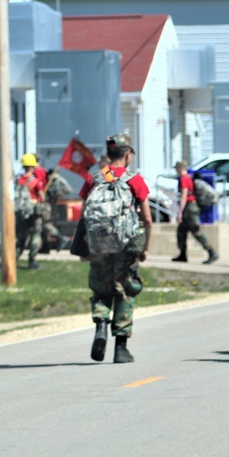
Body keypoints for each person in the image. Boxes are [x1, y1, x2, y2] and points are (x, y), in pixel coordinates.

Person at [80, 134, 153, 364]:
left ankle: (101, 326)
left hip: (99, 245)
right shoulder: (134, 180)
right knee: (125, 290)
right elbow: (148, 220)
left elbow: (84, 216)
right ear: (128, 154)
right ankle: (120, 348)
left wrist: (85, 247)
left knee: (101, 289)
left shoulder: (95, 178)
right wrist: (144, 248)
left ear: (109, 153)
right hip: (126, 245)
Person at [172, 160, 220, 265]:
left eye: (177, 168)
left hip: (190, 207)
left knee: (197, 231)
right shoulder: (189, 178)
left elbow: (184, 195)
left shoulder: (184, 179)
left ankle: (212, 252)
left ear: (181, 168)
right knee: (181, 231)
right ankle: (182, 254)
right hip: (190, 206)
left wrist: (180, 212)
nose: (176, 171)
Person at [15, 153, 45, 270]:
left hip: (20, 213)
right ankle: (32, 261)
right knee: (35, 235)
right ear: (32, 166)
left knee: (21, 237)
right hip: (33, 213)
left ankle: (14, 259)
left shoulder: (18, 180)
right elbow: (42, 197)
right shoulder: (36, 181)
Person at [41, 168, 72, 253]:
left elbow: (68, 189)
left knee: (46, 225)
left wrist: (57, 194)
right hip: (53, 204)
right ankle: (46, 247)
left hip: (48, 204)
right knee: (46, 225)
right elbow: (68, 189)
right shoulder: (57, 179)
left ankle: (61, 238)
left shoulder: (53, 179)